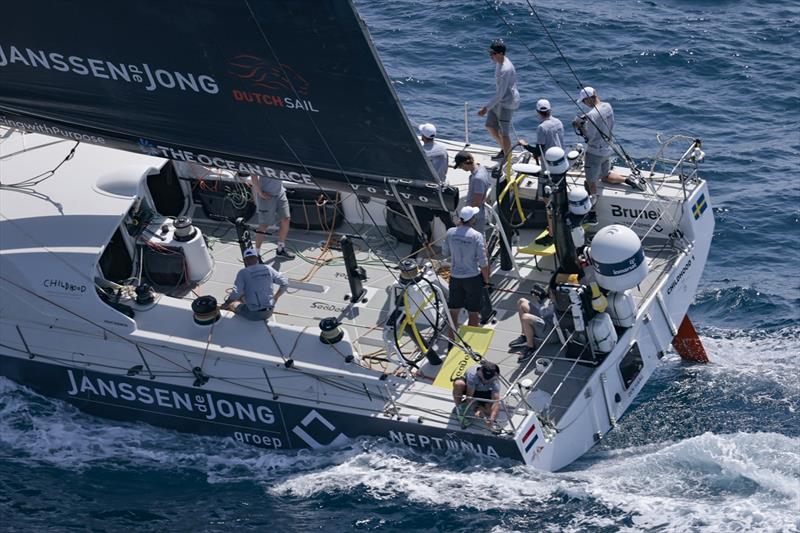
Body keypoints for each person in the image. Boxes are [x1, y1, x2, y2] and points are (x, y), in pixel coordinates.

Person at [572, 87, 642, 223]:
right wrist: (586, 118)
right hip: (608, 148)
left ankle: (592, 215)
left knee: (590, 182)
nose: (584, 104)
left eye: (584, 101)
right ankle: (627, 180)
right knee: (604, 175)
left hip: (594, 152)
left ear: (589, 98)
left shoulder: (592, 115)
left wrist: (580, 127)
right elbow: (601, 118)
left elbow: (590, 137)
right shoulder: (608, 106)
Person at [518, 98, 565, 246]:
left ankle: (552, 234)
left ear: (538, 112)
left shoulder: (541, 128)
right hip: (561, 166)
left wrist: (525, 145)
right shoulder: (558, 122)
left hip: (548, 171)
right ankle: (560, 224)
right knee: (559, 198)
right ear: (550, 110)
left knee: (548, 202)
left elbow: (538, 151)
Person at [442, 206, 490, 341]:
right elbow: (483, 262)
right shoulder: (476, 236)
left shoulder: (450, 232)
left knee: (453, 313)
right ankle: (469, 345)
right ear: (472, 219)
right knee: (473, 313)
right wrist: (486, 280)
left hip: (455, 278)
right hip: (472, 279)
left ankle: (451, 344)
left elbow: (444, 253)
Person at [410, 123, 455, 257]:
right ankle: (456, 247)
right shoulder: (442, 150)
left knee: (420, 227)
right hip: (440, 193)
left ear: (423, 136)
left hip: (424, 194)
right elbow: (445, 169)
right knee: (448, 222)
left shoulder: (420, 152)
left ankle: (413, 256)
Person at [478, 39, 520, 161]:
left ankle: (507, 159)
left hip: (507, 103)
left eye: (493, 53)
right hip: (498, 101)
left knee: (504, 133)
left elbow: (501, 94)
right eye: (490, 53)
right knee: (489, 126)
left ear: (501, 53)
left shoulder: (505, 69)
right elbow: (499, 94)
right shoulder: (498, 62)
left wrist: (486, 108)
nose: (491, 56)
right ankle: (504, 149)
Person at [221, 248, 289, 321]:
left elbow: (236, 293)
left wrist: (226, 303)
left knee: (233, 304)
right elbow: (285, 283)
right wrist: (275, 297)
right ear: (257, 258)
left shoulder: (243, 272)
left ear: (244, 261)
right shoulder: (268, 268)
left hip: (253, 314)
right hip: (269, 312)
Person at [251, 173, 295, 259]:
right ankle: (256, 254)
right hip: (265, 194)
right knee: (264, 224)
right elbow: (253, 175)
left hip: (280, 192)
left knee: (286, 218)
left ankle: (280, 248)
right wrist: (260, 193)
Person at [509, 284, 555, 363]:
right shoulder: (556, 298)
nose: (548, 293)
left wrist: (540, 301)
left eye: (550, 292)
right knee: (522, 301)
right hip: (547, 320)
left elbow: (544, 314)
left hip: (552, 333)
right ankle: (525, 336)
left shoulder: (557, 303)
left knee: (525, 317)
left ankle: (530, 346)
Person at [452, 360, 502, 429]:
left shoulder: (495, 380)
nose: (485, 380)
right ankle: (459, 409)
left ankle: (480, 408)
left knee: (492, 412)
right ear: (480, 371)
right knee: (459, 384)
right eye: (484, 377)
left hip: (484, 391)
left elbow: (496, 401)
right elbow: (469, 396)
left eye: (489, 378)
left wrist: (491, 419)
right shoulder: (472, 374)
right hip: (470, 389)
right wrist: (475, 408)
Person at [453, 151, 490, 234]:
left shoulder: (478, 178)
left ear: (465, 163)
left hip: (474, 217)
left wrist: (466, 219)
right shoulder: (482, 168)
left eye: (460, 166)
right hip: (478, 213)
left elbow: (477, 202)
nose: (461, 168)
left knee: (475, 239)